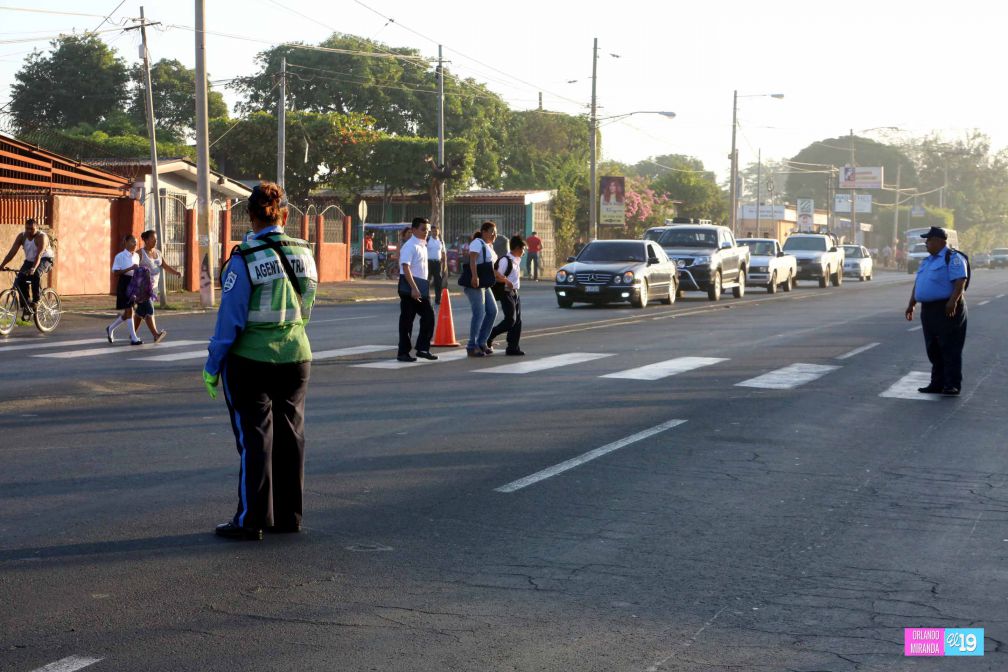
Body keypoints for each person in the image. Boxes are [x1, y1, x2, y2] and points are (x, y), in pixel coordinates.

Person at [203, 181, 318, 541]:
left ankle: (251, 519)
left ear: (250, 217)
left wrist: (212, 366)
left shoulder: (244, 258)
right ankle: (288, 516)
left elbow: (229, 322)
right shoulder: (304, 253)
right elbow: (306, 307)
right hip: (296, 356)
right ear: (284, 216)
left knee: (255, 440)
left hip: (250, 361)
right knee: (291, 437)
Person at [904, 226, 968, 396]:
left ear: (939, 241)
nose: (926, 243)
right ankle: (937, 383)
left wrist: (952, 302)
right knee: (933, 347)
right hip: (929, 310)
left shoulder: (953, 258)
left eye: (929, 240)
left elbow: (960, 281)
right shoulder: (927, 261)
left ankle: (952, 384)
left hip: (947, 308)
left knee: (949, 346)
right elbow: (919, 283)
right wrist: (911, 303)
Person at [462, 221, 507, 357]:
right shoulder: (477, 242)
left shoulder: (489, 246)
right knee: (479, 313)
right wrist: (475, 276)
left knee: (492, 311)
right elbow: (473, 260)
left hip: (485, 284)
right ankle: (472, 345)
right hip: (475, 284)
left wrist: (501, 277)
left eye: (496, 232)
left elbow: (489, 267)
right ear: (484, 232)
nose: (494, 235)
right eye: (492, 232)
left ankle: (482, 342)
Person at [396, 217, 437, 363]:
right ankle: (403, 352)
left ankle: (422, 348)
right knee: (407, 321)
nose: (426, 232)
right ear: (413, 230)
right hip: (410, 288)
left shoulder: (423, 245)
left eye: (427, 230)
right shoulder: (410, 246)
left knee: (429, 317)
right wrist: (414, 288)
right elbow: (405, 267)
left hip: (421, 287)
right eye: (423, 229)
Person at [0, 218, 55, 320]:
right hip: (30, 260)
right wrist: (2, 265)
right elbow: (12, 252)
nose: (29, 231)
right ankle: (27, 305)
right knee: (20, 280)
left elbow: (39, 255)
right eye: (27, 229)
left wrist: (33, 268)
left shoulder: (41, 237)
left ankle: (36, 301)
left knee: (36, 274)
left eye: (32, 229)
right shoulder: (22, 236)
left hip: (45, 259)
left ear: (37, 228)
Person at [133, 230, 181, 344]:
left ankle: (132, 334)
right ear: (146, 240)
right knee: (149, 310)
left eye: (156, 239)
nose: (155, 241)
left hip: (154, 288)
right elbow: (133, 269)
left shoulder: (158, 253)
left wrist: (176, 272)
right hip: (143, 289)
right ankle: (155, 335)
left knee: (140, 312)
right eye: (153, 239)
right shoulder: (139, 253)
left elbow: (164, 265)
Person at [487, 235, 526, 356]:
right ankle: (489, 336)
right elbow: (496, 276)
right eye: (523, 249)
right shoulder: (506, 260)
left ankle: (513, 347)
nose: (524, 252)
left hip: (514, 293)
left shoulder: (516, 261)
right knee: (510, 320)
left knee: (517, 321)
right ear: (517, 248)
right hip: (505, 292)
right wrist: (506, 281)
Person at [106, 235, 142, 345]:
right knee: (129, 310)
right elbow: (116, 272)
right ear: (125, 242)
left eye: (136, 242)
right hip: (124, 283)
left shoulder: (136, 256)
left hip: (134, 283)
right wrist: (130, 268)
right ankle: (134, 338)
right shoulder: (120, 256)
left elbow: (137, 271)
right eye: (132, 242)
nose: (135, 244)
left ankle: (110, 328)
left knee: (128, 313)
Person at [427, 224, 447, 305]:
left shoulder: (441, 241)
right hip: (428, 263)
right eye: (433, 231)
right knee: (427, 281)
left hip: (438, 263)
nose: (434, 232)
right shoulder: (427, 240)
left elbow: (443, 253)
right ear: (431, 232)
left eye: (436, 231)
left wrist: (444, 264)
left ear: (439, 232)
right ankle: (426, 298)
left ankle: (438, 300)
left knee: (438, 282)